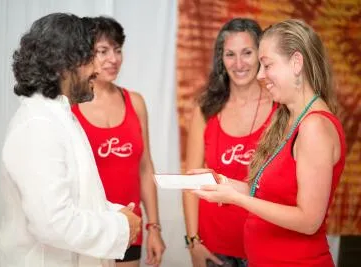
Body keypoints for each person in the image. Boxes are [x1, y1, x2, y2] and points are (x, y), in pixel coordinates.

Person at [193, 19, 346, 267]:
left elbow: (309, 220)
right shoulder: (292, 119)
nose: (261, 75)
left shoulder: (314, 127)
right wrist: (221, 181)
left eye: (267, 65)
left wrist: (236, 198)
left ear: (296, 63)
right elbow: (268, 194)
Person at [0, 13, 141, 267]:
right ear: (62, 65)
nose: (97, 69)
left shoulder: (59, 115)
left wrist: (115, 212)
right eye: (89, 60)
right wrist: (119, 226)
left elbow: (76, 195)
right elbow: (53, 222)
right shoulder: (37, 125)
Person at [71, 16, 165, 267]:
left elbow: (145, 168)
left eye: (118, 50)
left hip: (128, 228)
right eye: (102, 51)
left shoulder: (135, 102)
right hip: (87, 230)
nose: (113, 59)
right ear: (84, 54)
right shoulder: (69, 106)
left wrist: (154, 226)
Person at [182, 18, 277, 267]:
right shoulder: (205, 110)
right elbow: (190, 181)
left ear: (261, 54)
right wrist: (193, 242)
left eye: (247, 52)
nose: (239, 64)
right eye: (230, 54)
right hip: (214, 249)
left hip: (265, 245)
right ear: (220, 60)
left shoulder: (281, 109)